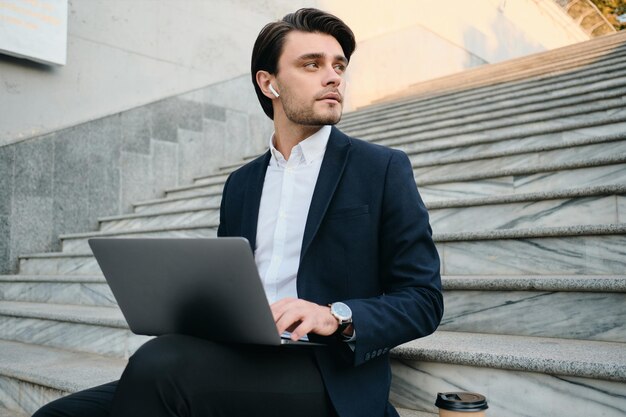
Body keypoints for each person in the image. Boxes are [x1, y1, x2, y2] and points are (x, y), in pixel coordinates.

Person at [33, 7, 443, 417]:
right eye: (311, 64)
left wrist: (335, 315)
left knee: (159, 366)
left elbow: (423, 299)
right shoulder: (241, 184)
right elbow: (230, 288)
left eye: (339, 65)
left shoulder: (381, 168)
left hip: (327, 374)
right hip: (240, 356)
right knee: (57, 415)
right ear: (269, 83)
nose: (334, 76)